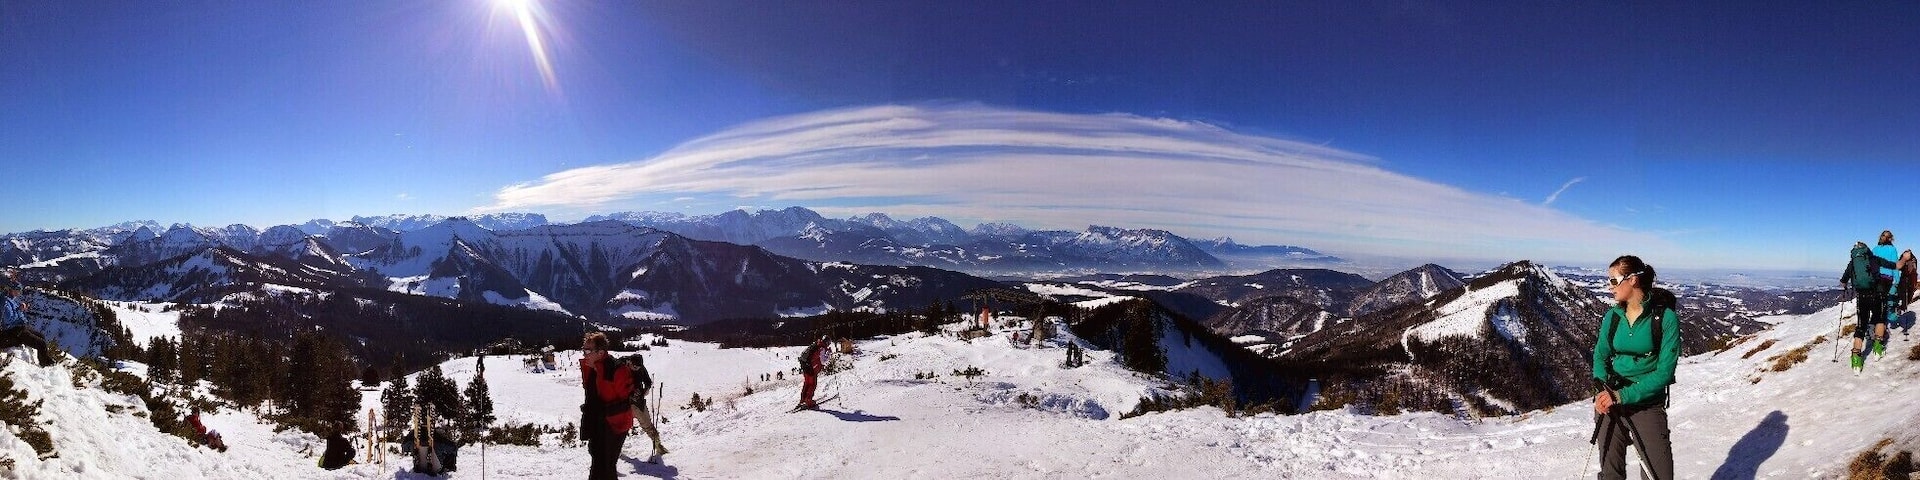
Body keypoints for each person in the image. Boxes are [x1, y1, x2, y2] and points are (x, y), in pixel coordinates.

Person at [1591, 255, 1679, 480]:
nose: (1609, 287)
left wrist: (1622, 396)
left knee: (1658, 475)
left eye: (1613, 280)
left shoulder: (1665, 318)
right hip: (1611, 400)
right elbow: (1600, 356)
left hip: (1646, 404)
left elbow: (1664, 373)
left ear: (1632, 280)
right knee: (1611, 473)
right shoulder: (1612, 317)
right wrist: (1602, 390)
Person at [580, 332, 635, 480]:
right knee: (599, 463)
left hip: (614, 425)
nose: (584, 354)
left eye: (587, 350)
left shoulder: (617, 370)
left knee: (605, 466)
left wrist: (605, 411)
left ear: (601, 352)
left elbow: (627, 402)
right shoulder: (590, 368)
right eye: (583, 349)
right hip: (598, 423)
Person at [0, 270, 53, 367]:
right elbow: (8, 320)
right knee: (41, 343)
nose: (19, 293)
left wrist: (20, 310)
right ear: (12, 290)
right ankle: (45, 364)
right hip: (13, 331)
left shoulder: (10, 299)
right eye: (18, 291)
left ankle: (45, 359)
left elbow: (15, 314)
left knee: (41, 336)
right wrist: (20, 310)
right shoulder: (5, 303)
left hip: (18, 327)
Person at [624, 352, 668, 460]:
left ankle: (658, 445)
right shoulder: (621, 366)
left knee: (647, 424)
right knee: (620, 427)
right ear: (629, 362)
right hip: (623, 403)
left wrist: (646, 389)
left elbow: (647, 381)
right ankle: (614, 449)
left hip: (638, 402)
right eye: (634, 366)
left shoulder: (640, 367)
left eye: (639, 367)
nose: (637, 368)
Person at [796, 337, 829, 410]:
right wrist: (828, 356)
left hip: (805, 366)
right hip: (811, 368)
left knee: (807, 383)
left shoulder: (815, 344)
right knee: (812, 384)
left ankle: (803, 400)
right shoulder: (822, 348)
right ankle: (808, 401)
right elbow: (823, 361)